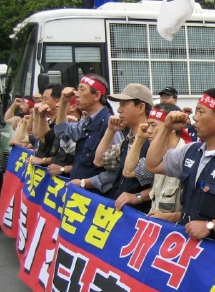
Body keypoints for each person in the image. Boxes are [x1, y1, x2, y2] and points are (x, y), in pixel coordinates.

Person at [146, 89, 215, 246]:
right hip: (189, 247)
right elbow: (153, 164)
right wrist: (166, 128)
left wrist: (210, 225)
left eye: (201, 111)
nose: (195, 117)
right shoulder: (191, 151)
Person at [54, 74, 119, 194]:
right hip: (81, 194)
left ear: (97, 95)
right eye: (77, 89)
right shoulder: (87, 122)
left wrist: (85, 183)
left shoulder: (110, 125)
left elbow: (117, 170)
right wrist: (63, 102)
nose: (76, 94)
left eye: (82, 89)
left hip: (97, 197)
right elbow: (61, 131)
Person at [94, 83, 154, 213]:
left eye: (124, 104)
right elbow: (99, 161)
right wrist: (110, 130)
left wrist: (138, 197)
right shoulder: (128, 139)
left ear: (141, 107)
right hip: (124, 214)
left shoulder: (154, 141)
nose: (119, 110)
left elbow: (162, 185)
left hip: (141, 215)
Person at [126, 103, 185, 222]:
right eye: (148, 125)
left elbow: (198, 209)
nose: (148, 130)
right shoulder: (157, 157)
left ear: (172, 127)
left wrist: (173, 217)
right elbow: (129, 171)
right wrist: (139, 138)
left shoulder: (186, 158)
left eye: (153, 125)